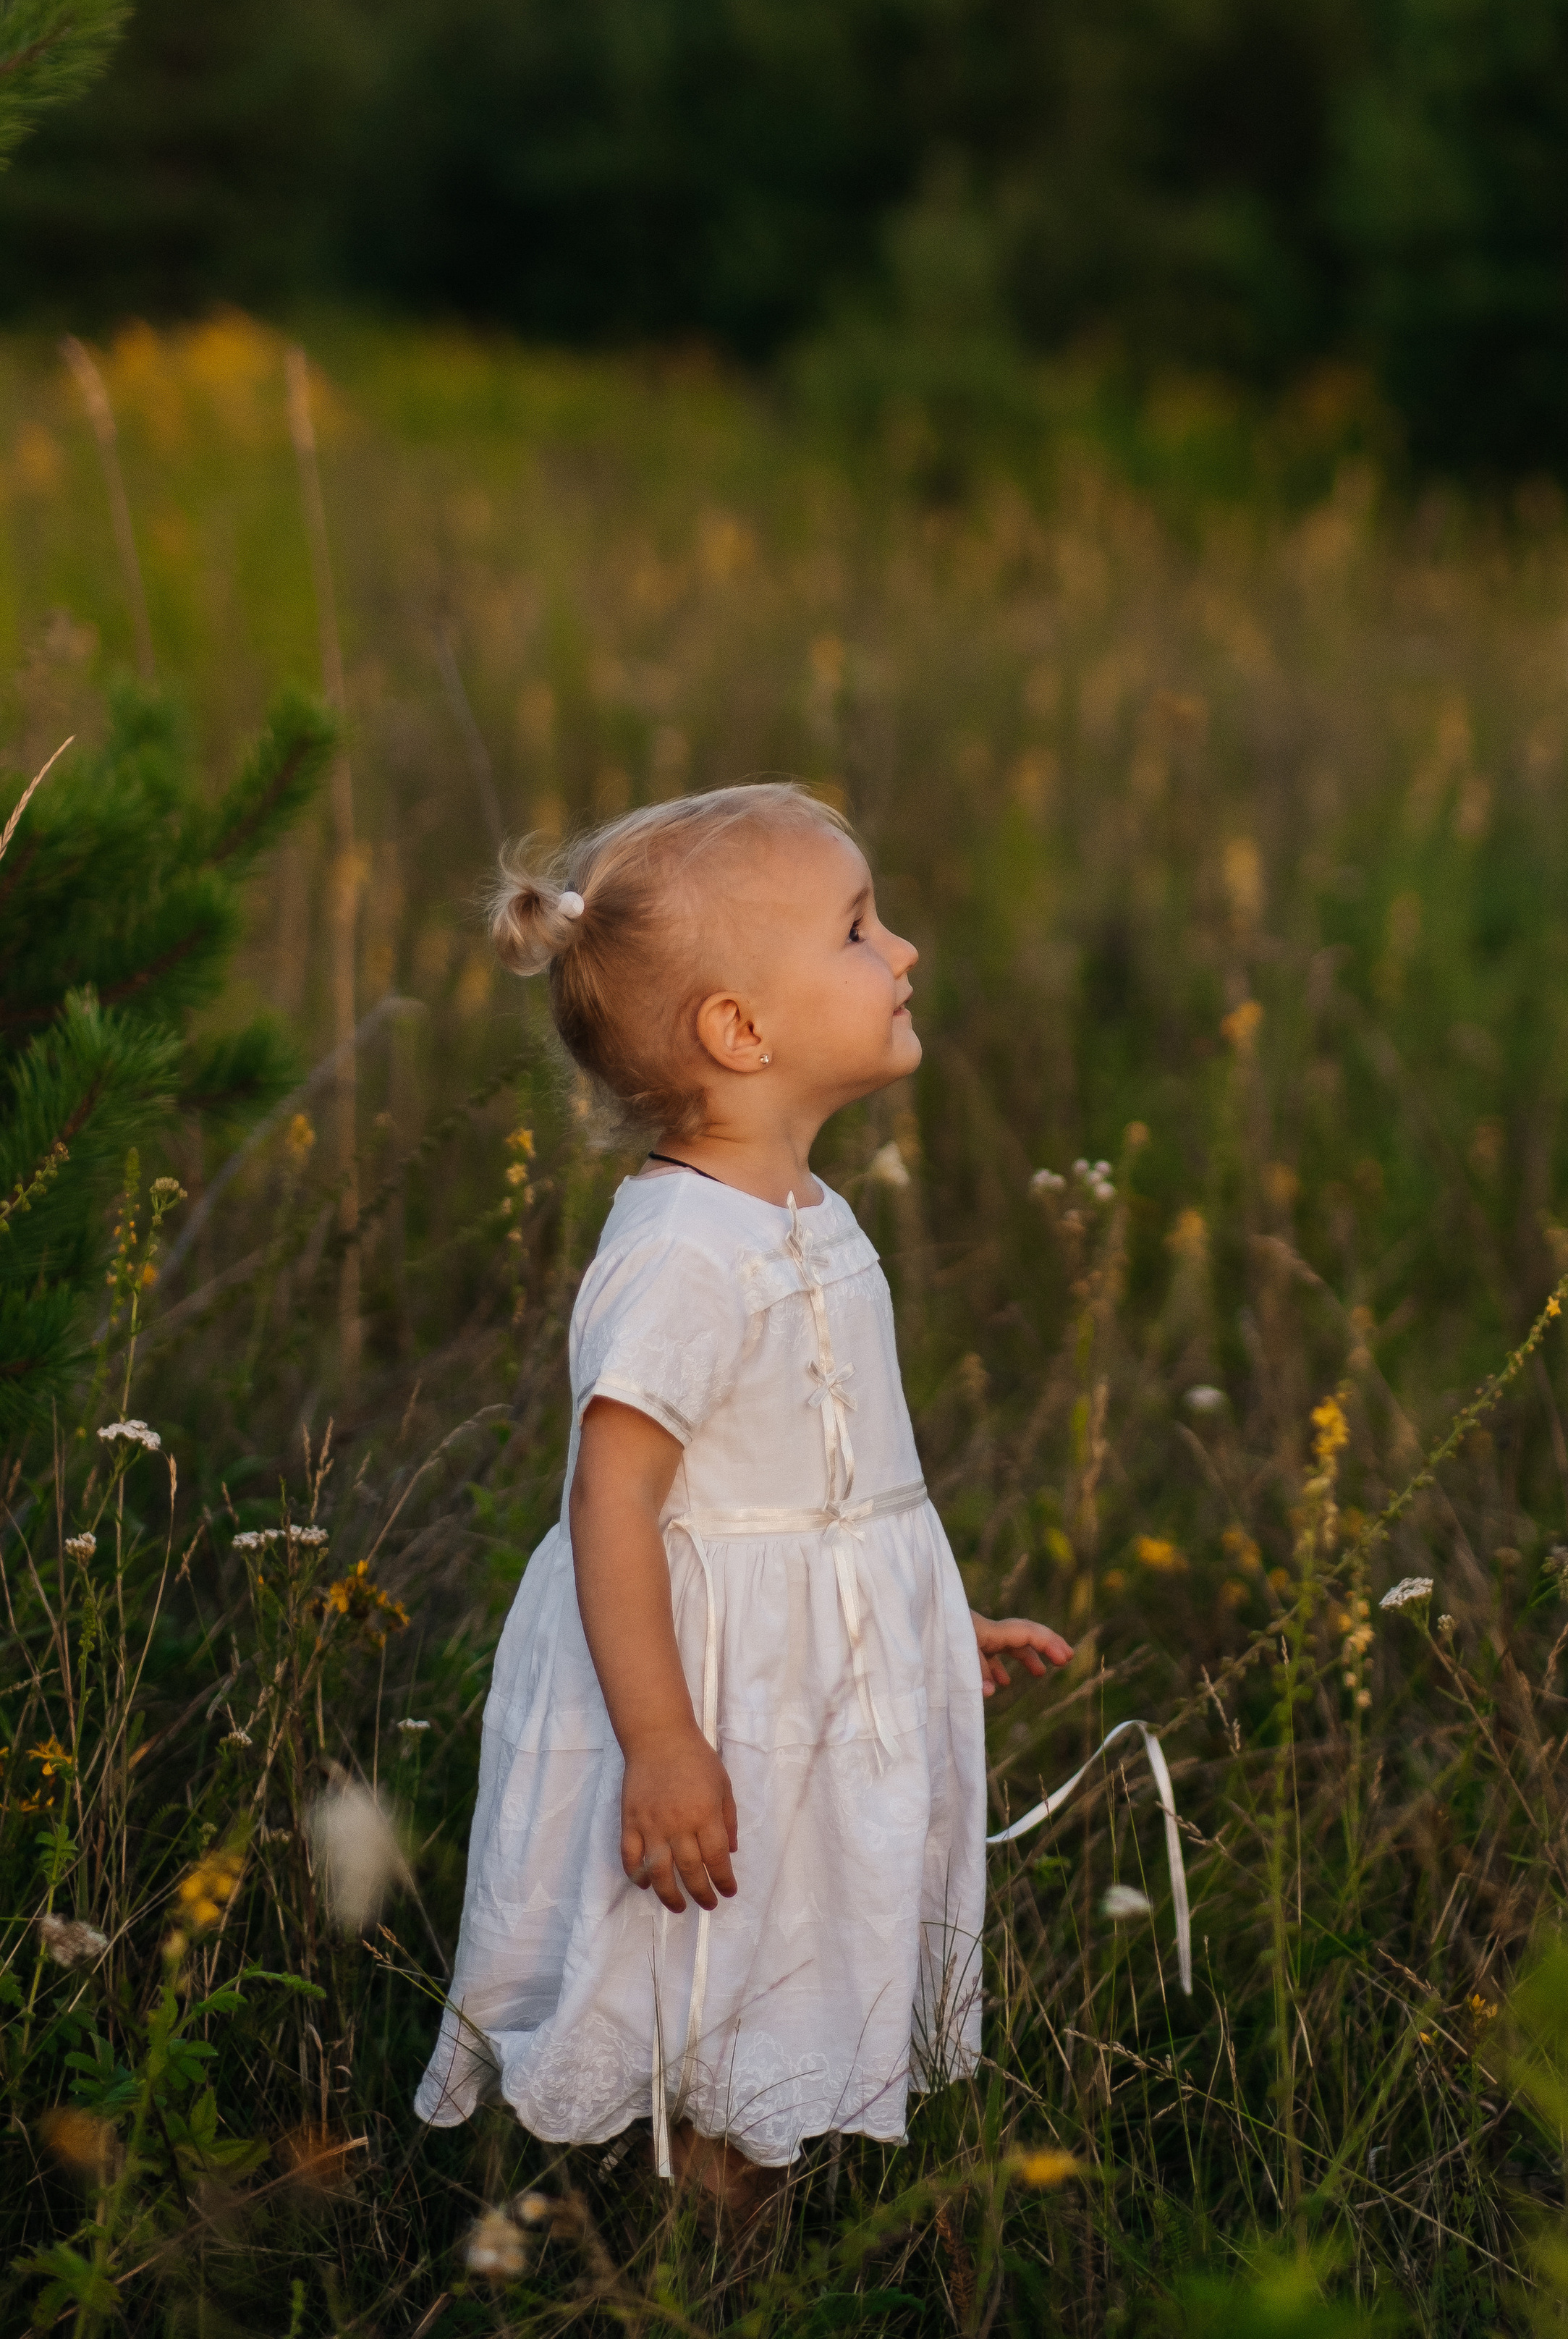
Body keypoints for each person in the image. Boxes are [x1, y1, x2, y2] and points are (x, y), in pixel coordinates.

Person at [414, 784, 1071, 2207]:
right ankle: (690, 2261)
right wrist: (660, 1746)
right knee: (702, 1980)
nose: (902, 954)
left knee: (778, 1966)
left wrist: (918, 1636)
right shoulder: (680, 1256)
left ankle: (734, 2228)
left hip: (805, 1683)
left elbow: (826, 1494)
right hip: (707, 1694)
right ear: (739, 1032)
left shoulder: (804, 1212)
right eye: (856, 930)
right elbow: (611, 1505)